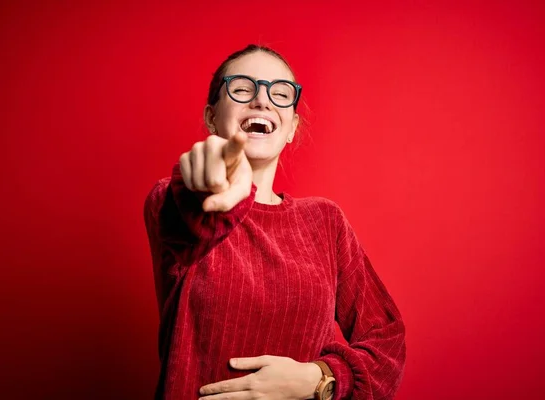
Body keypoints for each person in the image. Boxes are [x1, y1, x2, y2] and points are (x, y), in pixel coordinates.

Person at [144, 44, 406, 400]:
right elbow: (191, 217)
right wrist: (216, 184)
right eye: (241, 88)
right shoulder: (176, 200)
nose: (262, 101)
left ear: (292, 127)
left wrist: (319, 379)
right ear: (211, 117)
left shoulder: (325, 221)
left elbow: (387, 339)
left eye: (280, 93)